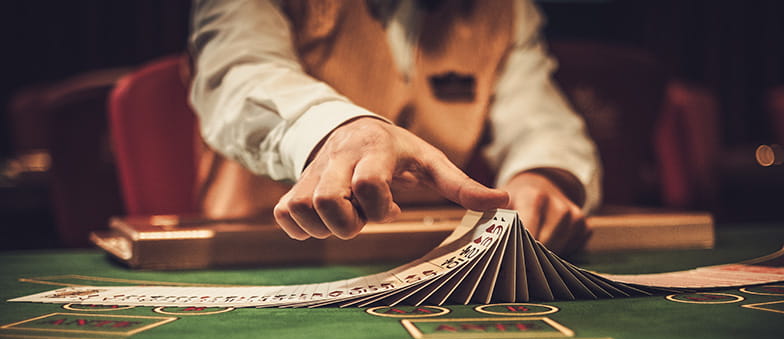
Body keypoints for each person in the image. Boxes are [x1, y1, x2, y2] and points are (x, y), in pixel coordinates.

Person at [189, 0, 602, 254]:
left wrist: (542, 176)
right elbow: (237, 72)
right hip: (261, 252)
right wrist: (339, 131)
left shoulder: (507, 8)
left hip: (432, 260)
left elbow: (541, 120)